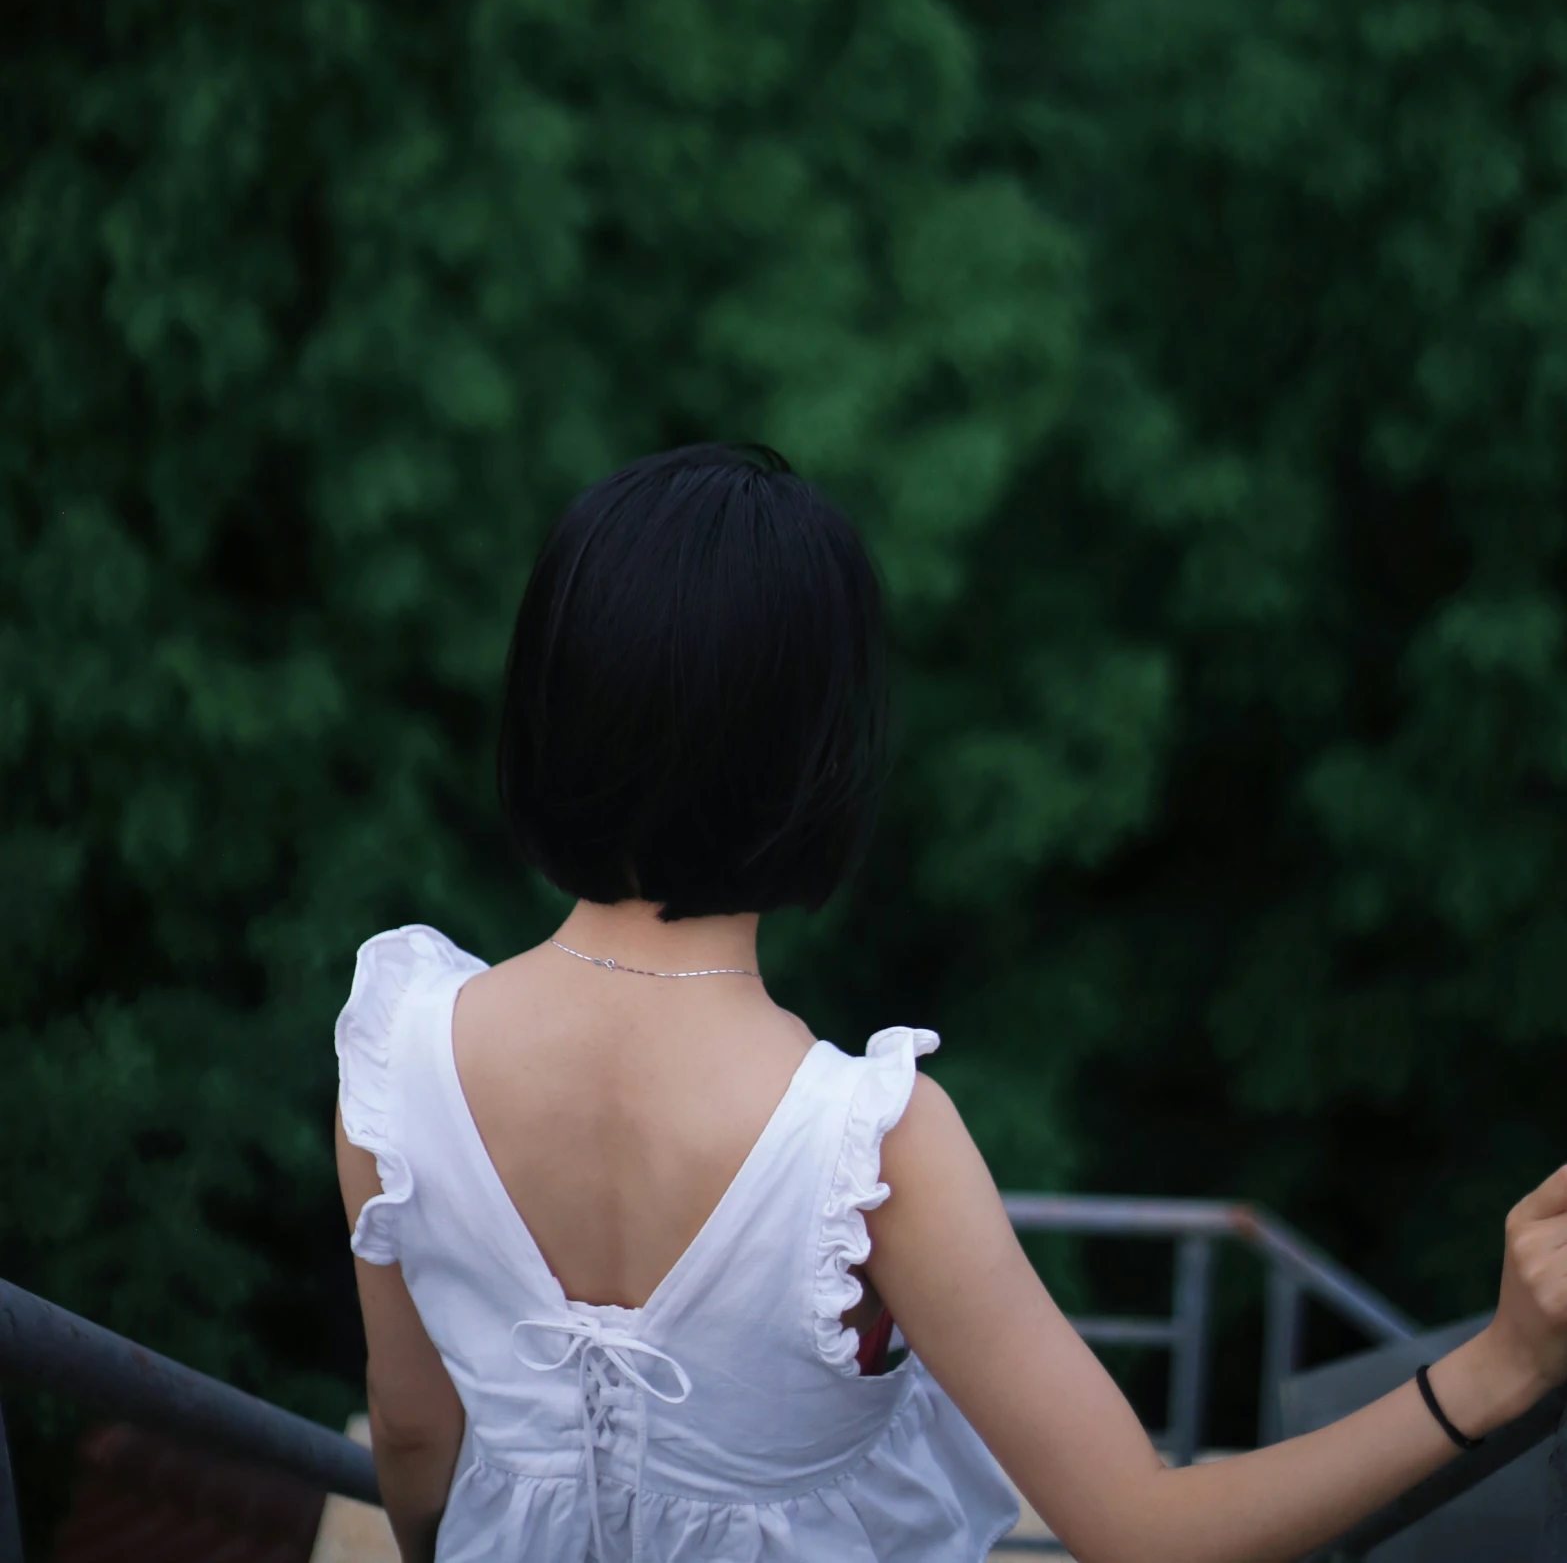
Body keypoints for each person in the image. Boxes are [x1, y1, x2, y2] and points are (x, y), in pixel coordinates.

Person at [335, 443, 1567, 1563]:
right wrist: (1501, 1367)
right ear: (819, 748)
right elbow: (1143, 1528)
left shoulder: (399, 1055)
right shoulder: (868, 1149)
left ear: (547, 707)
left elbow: (409, 1430)